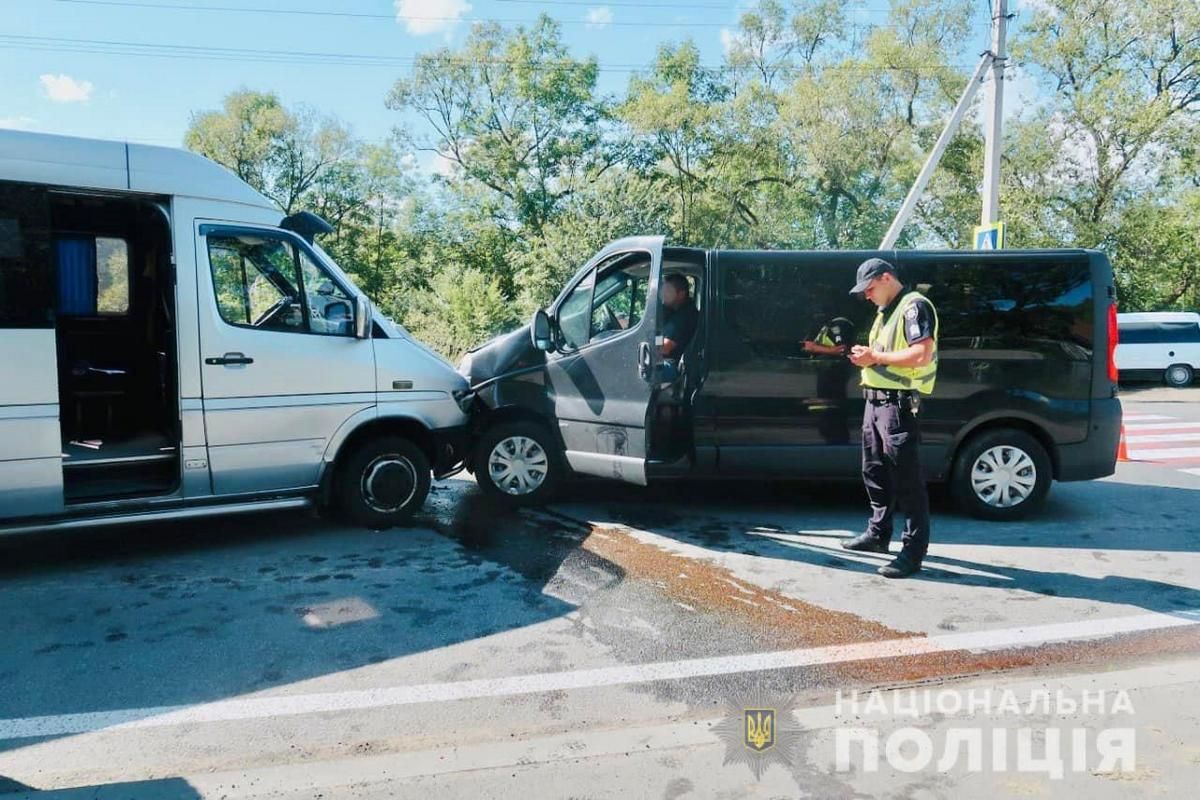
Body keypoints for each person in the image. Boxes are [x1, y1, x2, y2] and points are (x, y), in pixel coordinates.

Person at [842, 258, 939, 579]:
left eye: (869, 289)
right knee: (874, 471)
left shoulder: (914, 306)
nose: (867, 296)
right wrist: (867, 356)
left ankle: (912, 552)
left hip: (897, 407)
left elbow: (921, 353)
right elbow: (885, 356)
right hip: (876, 403)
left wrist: (875, 357)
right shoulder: (886, 312)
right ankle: (878, 534)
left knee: (907, 481)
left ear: (886, 278)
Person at [660, 274, 698, 359]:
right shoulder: (674, 311)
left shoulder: (684, 316)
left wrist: (649, 339)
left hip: (675, 367)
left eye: (668, 291)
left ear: (681, 294)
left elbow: (664, 347)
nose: (663, 295)